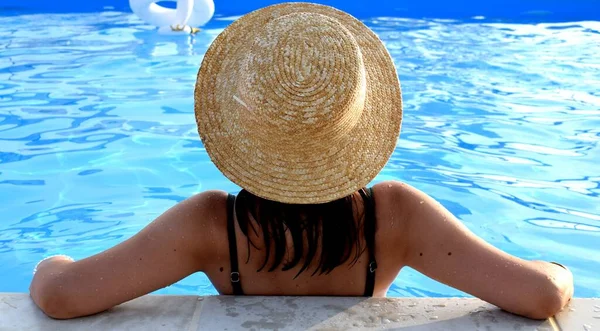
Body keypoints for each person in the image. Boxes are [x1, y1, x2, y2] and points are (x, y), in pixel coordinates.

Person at [29, 2, 573, 321]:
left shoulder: (209, 225)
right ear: (358, 120)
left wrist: (50, 262)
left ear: (242, 122)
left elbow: (62, 295)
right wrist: (560, 269)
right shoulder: (398, 217)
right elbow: (540, 294)